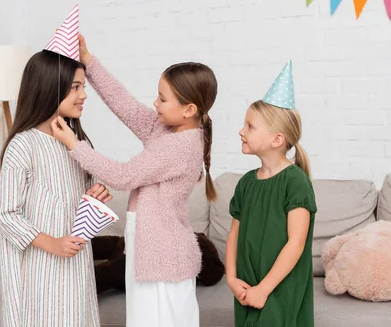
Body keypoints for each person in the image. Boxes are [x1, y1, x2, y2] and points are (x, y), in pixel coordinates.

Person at [51, 35, 218, 327]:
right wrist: (89, 61)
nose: (155, 103)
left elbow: (122, 176)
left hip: (163, 259)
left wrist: (74, 144)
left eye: (163, 99)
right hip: (151, 252)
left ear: (188, 109)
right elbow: (126, 106)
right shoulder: (168, 129)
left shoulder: (178, 146)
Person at [0, 50, 111, 327]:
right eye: (75, 87)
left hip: (75, 260)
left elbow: (80, 196)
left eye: (83, 87)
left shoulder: (77, 143)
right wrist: (53, 243)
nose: (83, 95)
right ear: (49, 89)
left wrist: (97, 195)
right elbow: (5, 214)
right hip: (40, 264)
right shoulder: (24, 145)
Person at [225, 61, 317, 327]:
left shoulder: (295, 182)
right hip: (246, 283)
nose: (241, 131)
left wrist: (264, 288)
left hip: (278, 285)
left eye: (250, 126)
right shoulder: (246, 183)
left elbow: (295, 244)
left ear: (277, 139)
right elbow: (234, 235)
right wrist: (231, 278)